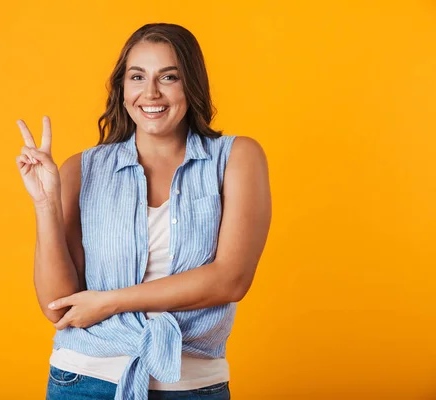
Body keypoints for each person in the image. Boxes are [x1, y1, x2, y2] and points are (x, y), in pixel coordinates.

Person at [15, 23, 271, 400]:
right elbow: (58, 307)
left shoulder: (236, 158)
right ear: (122, 89)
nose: (150, 93)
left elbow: (231, 279)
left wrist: (109, 301)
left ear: (192, 86)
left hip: (193, 386)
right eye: (138, 77)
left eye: (168, 77)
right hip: (84, 381)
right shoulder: (79, 170)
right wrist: (45, 203)